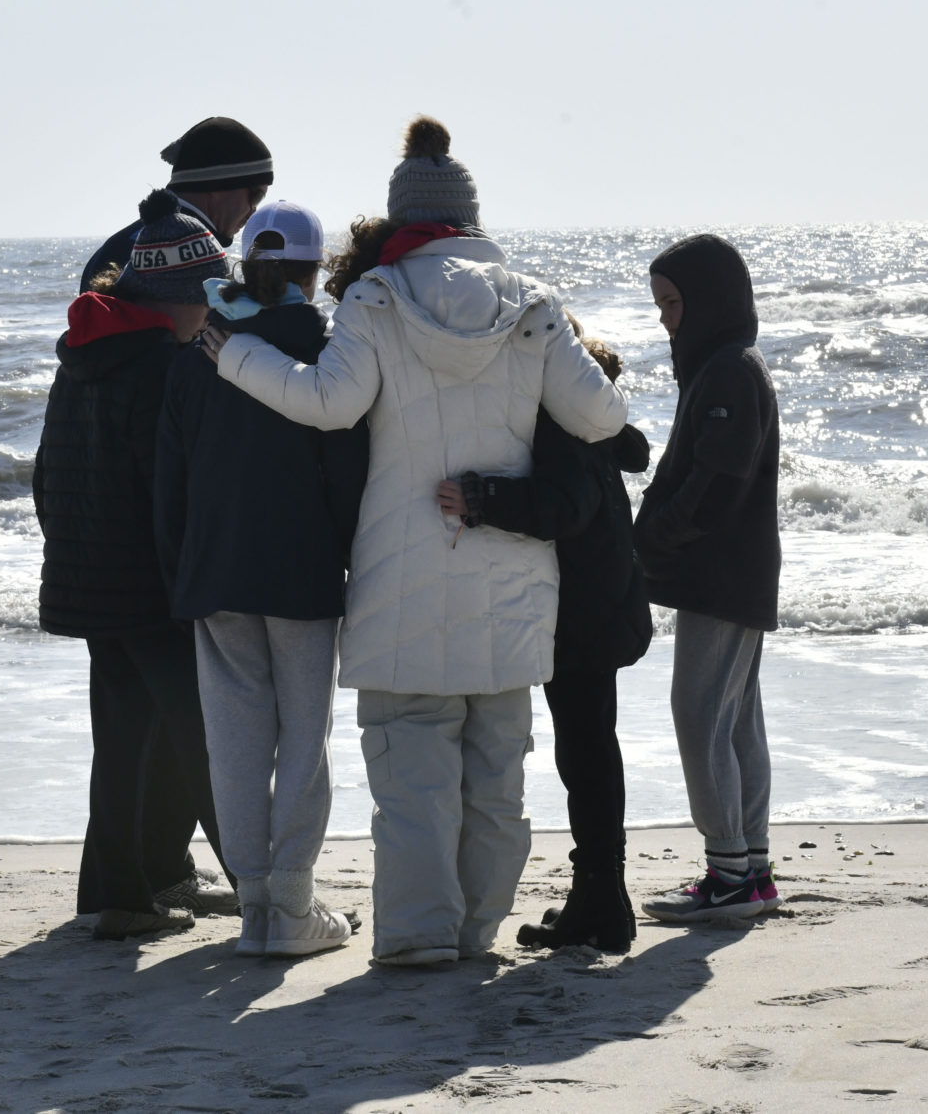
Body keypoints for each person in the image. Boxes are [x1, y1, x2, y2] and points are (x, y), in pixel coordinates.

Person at [203, 118, 625, 967]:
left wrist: (234, 354)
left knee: (412, 772)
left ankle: (418, 932)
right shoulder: (535, 305)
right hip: (510, 576)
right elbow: (604, 418)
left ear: (401, 218)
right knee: (497, 770)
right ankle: (477, 930)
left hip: (401, 574)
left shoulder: (376, 297)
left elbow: (328, 401)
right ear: (473, 217)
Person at [153, 201, 370, 958]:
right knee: (304, 745)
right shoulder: (325, 351)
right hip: (303, 573)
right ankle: (292, 906)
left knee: (236, 744)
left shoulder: (199, 353)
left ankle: (254, 907)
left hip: (215, 573)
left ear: (244, 267)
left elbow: (169, 485)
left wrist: (182, 573)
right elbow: (347, 476)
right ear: (314, 272)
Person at [34, 189, 238, 940]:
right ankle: (268, 889)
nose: (214, 310)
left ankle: (113, 896)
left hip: (89, 583)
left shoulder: (82, 357)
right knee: (208, 739)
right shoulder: (164, 369)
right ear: (175, 298)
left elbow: (46, 475)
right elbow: (175, 491)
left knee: (120, 744)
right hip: (153, 588)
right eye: (210, 294)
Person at [436, 322, 653, 953]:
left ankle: (603, 902)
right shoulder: (590, 412)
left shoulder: (559, 415)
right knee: (588, 750)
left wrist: (482, 498)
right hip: (603, 598)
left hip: (585, 608)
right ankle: (601, 897)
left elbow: (565, 506)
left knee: (585, 754)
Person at [633, 234, 783, 924]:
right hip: (738, 574)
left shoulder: (728, 371)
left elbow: (715, 485)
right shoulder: (727, 365)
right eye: (659, 304)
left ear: (708, 301)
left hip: (722, 576)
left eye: (672, 303)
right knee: (735, 719)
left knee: (699, 715)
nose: (665, 318)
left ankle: (727, 871)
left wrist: (650, 539)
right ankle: (749, 869)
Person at [80, 117, 276, 291]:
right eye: (256, 197)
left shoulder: (116, 246)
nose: (253, 211)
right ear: (218, 186)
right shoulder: (197, 255)